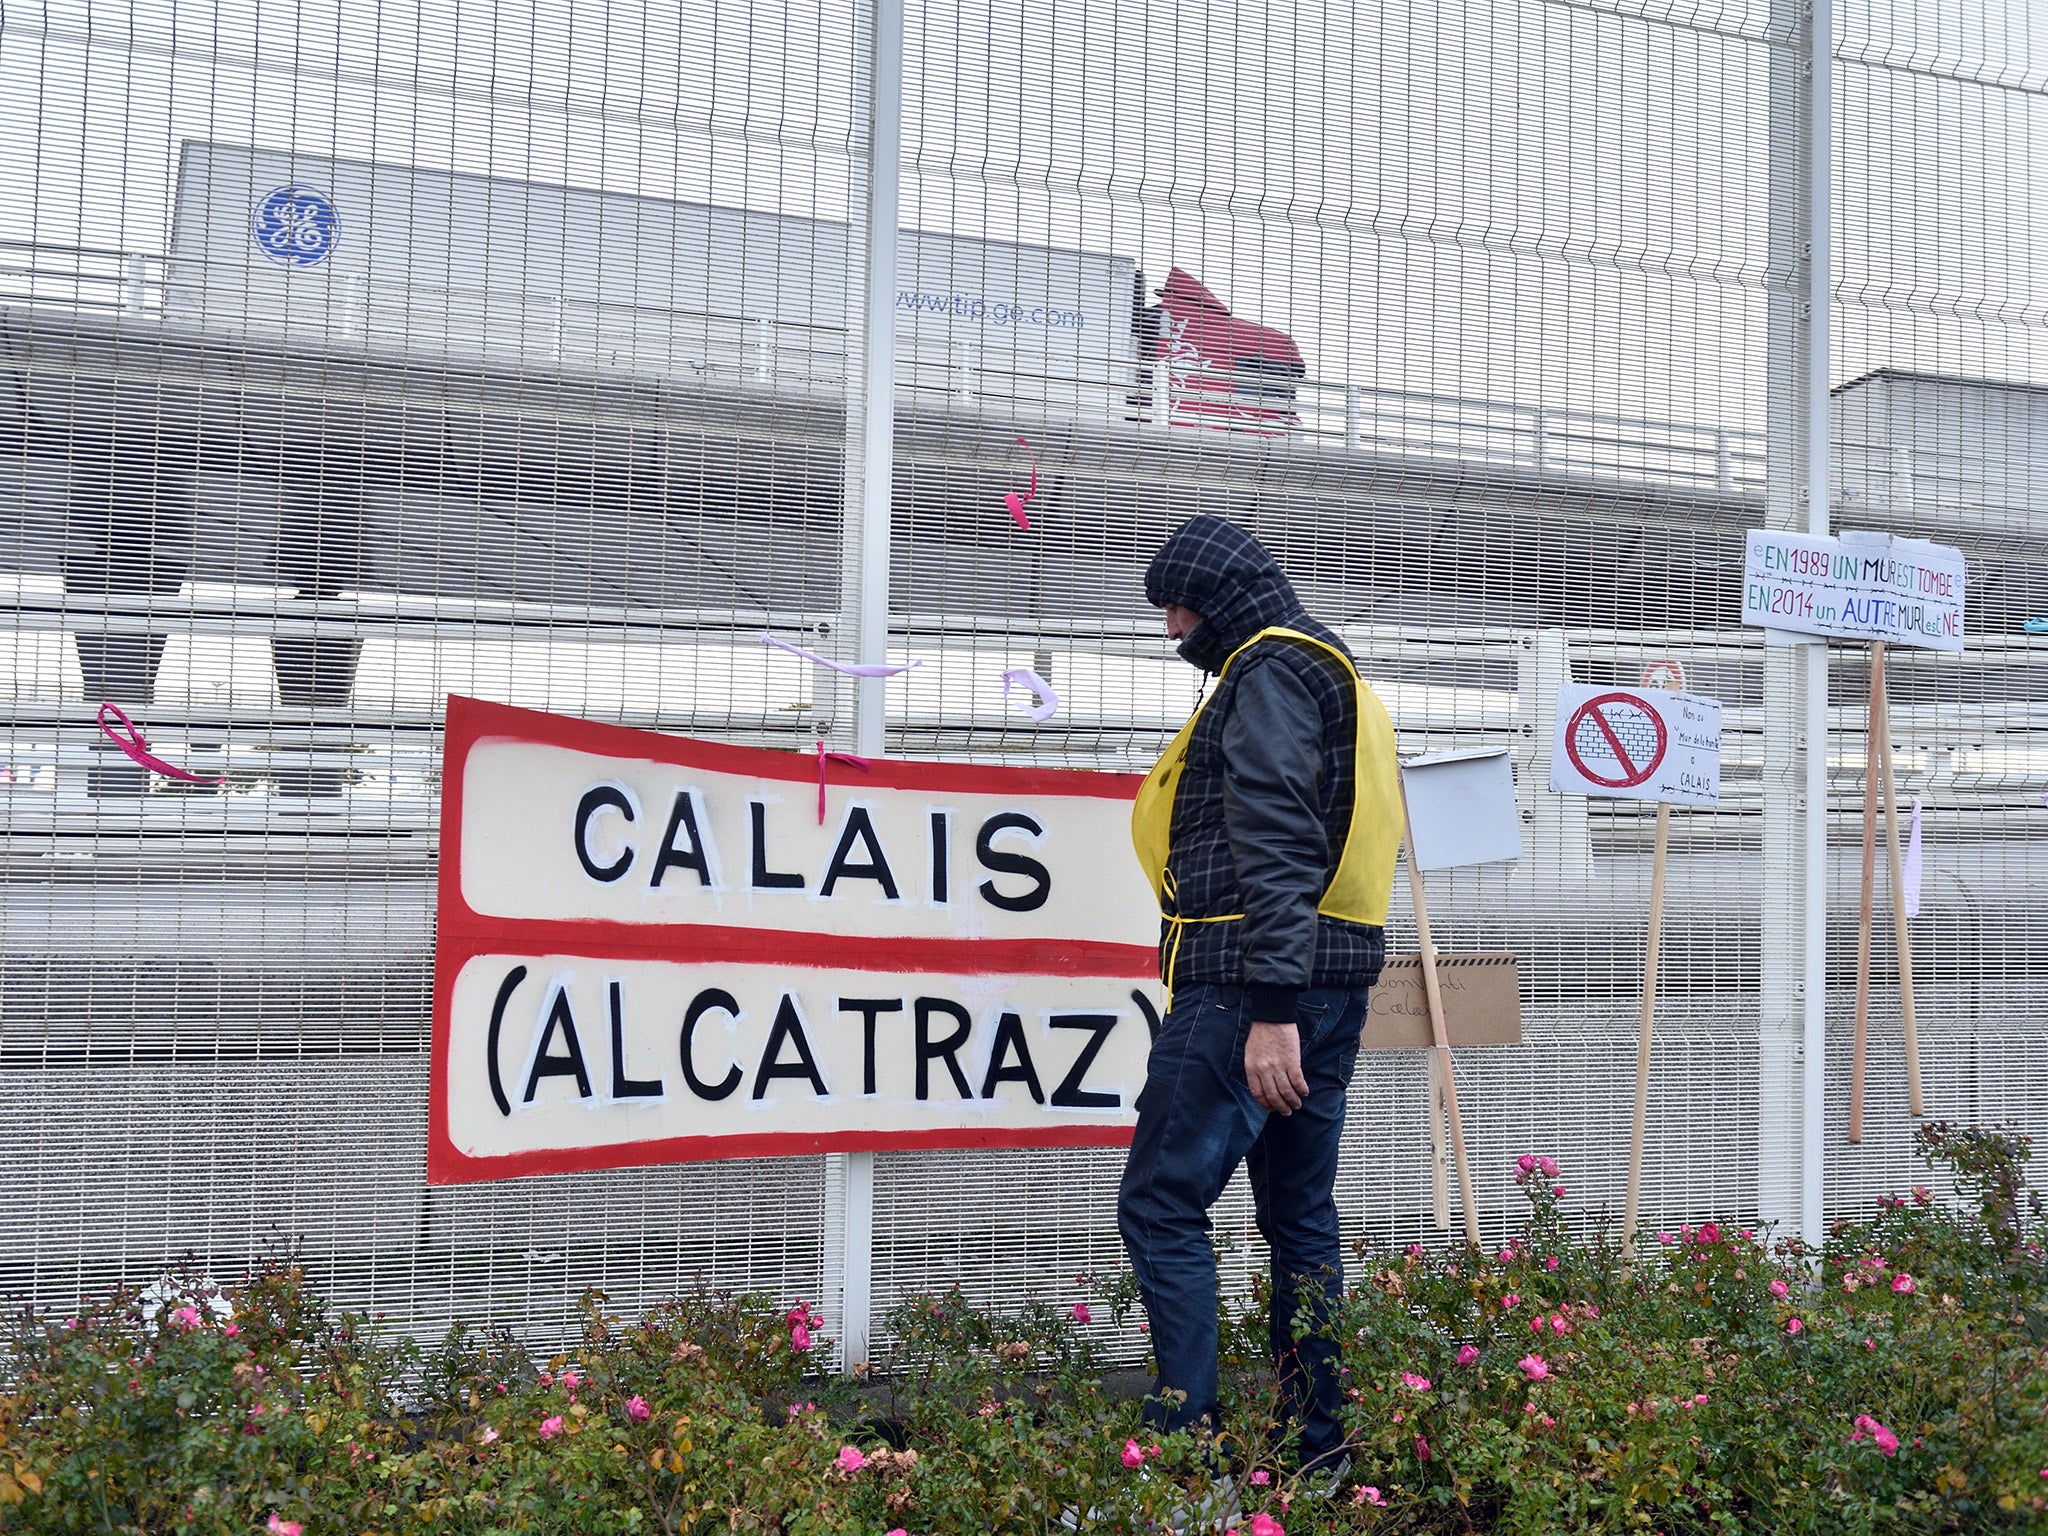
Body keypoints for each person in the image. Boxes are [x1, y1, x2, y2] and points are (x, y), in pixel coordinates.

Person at [1119, 514, 1401, 1477]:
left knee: (1162, 1202)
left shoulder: (1271, 670)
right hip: (1327, 981)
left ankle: (1180, 1461)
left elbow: (1275, 837)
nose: (1172, 633)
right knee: (1299, 1219)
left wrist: (1269, 1010)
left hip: (1249, 984)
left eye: (1177, 611)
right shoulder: (1341, 671)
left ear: (1218, 601)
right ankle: (1317, 1452)